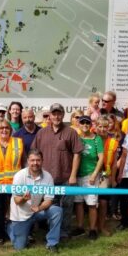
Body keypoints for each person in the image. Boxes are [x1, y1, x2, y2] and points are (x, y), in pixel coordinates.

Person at [31, 103, 83, 240]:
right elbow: (34, 154)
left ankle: (64, 232)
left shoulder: (71, 132)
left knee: (66, 206)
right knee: (51, 207)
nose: (56, 116)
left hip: (66, 178)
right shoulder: (41, 133)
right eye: (54, 114)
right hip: (47, 179)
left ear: (63, 114)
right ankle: (52, 231)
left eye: (59, 113)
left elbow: (77, 154)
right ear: (50, 115)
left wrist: (73, 176)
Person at [7, 149, 63, 252]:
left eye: (38, 160)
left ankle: (52, 243)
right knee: (20, 248)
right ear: (28, 161)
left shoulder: (48, 176)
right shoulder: (19, 176)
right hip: (21, 215)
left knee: (57, 211)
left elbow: (49, 200)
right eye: (32, 160)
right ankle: (10, 227)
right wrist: (23, 199)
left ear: (42, 161)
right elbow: (16, 200)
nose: (35, 163)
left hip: (37, 210)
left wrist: (39, 207)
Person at [73, 115, 104, 240]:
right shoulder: (77, 138)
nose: (85, 125)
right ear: (78, 124)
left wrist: (95, 174)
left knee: (91, 204)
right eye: (82, 123)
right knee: (79, 202)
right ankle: (80, 227)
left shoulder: (97, 139)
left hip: (90, 174)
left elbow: (101, 158)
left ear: (91, 125)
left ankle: (92, 229)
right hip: (78, 175)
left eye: (87, 123)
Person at [94, 115, 119, 236]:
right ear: (96, 126)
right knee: (92, 202)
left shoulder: (113, 142)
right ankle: (92, 227)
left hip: (105, 176)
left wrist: (113, 179)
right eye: (100, 126)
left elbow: (114, 164)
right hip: (92, 174)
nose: (102, 129)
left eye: (105, 126)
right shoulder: (91, 139)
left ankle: (102, 226)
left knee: (103, 202)